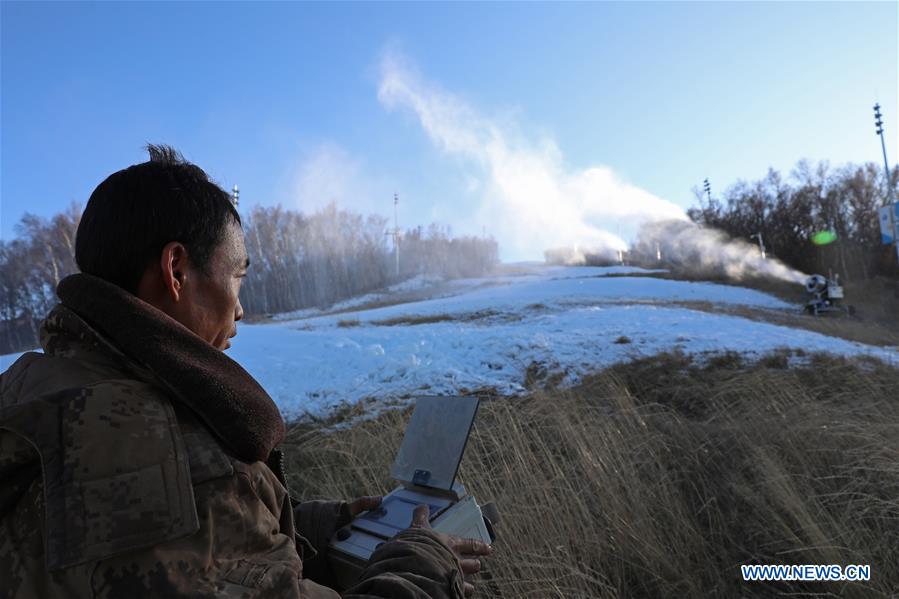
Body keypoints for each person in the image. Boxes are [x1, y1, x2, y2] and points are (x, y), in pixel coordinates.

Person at [0, 145, 490, 598]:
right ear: (176, 270)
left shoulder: (33, 387)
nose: (239, 309)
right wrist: (421, 569)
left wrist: (304, 528)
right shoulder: (175, 458)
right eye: (237, 277)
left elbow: (144, 557)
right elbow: (183, 518)